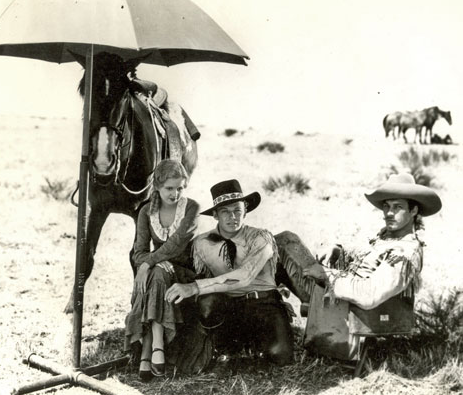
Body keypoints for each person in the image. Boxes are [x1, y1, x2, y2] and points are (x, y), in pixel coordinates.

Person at [275, 172, 442, 358]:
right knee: (282, 242)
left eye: (398, 207)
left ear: (414, 211)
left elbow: (369, 294)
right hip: (339, 295)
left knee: (283, 242)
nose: (389, 213)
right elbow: (363, 259)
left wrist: (326, 275)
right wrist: (338, 251)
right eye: (386, 206)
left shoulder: (404, 253)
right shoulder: (386, 239)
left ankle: (269, 331)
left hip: (346, 306)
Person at [165, 179, 294, 366]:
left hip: (265, 304)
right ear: (215, 215)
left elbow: (245, 276)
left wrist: (194, 287)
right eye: (225, 211)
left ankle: (255, 345)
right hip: (230, 308)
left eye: (237, 211)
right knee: (209, 304)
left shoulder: (261, 238)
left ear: (246, 211)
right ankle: (226, 346)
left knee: (280, 357)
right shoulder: (201, 244)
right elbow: (174, 261)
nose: (232, 217)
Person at [124, 159, 200, 381]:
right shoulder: (146, 211)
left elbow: (177, 243)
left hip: (186, 271)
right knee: (158, 273)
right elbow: (138, 252)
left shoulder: (192, 208)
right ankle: (155, 344)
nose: (175, 194)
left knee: (156, 272)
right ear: (156, 186)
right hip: (159, 272)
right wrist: (150, 263)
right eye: (169, 188)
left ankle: (149, 348)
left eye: (180, 188)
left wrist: (149, 263)